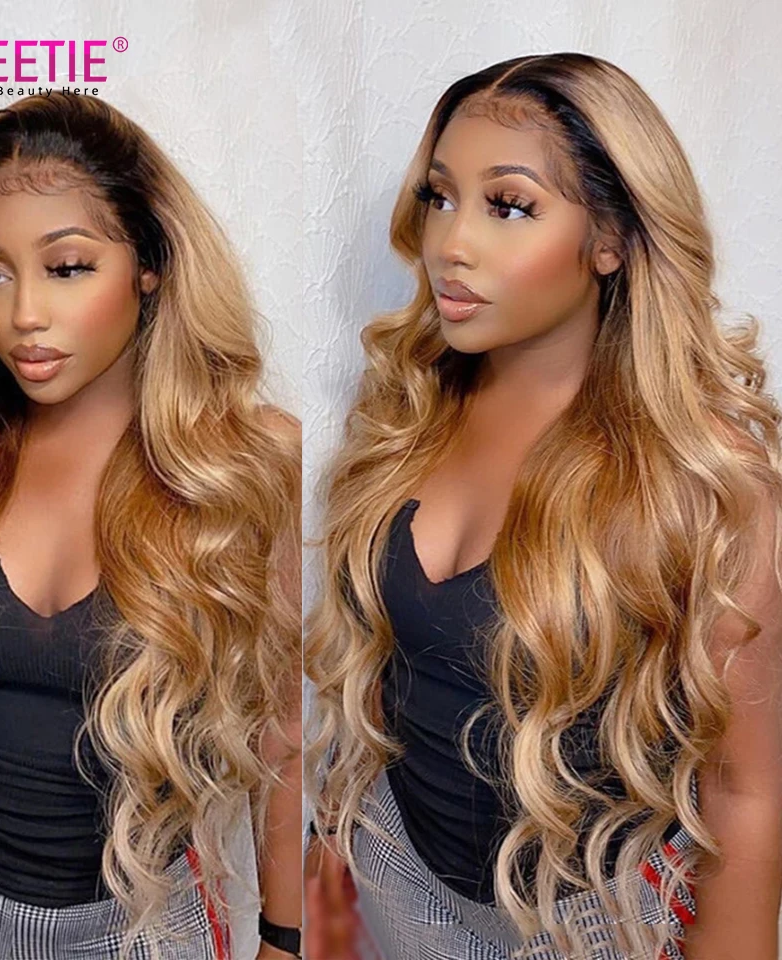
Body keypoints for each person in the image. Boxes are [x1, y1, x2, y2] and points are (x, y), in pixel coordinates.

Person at [304, 52, 782, 960]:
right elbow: (367, 711)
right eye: (440, 197)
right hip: (390, 886)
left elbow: (743, 793)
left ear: (610, 239)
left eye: (509, 206)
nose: (451, 243)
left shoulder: (699, 474)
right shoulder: (410, 415)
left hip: (587, 921)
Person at [0, 91, 303, 960]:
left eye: (68, 267)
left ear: (149, 264)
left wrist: (287, 933)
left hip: (140, 924)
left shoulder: (246, 464)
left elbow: (283, 719)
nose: (24, 315)